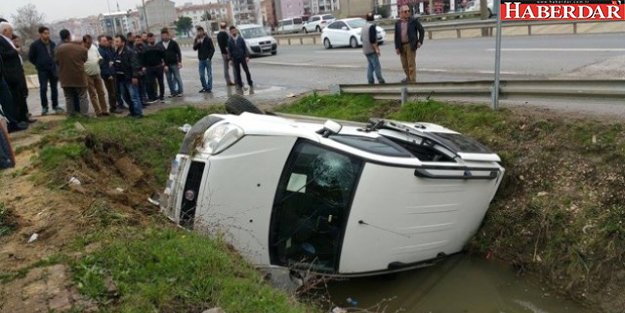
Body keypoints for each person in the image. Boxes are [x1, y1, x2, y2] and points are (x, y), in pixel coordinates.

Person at [0, 22, 33, 124]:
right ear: (5, 31)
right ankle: (17, 120)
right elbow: (3, 54)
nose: (12, 33)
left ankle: (24, 117)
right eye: (11, 31)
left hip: (17, 71)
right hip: (10, 73)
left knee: (22, 95)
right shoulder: (1, 40)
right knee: (14, 97)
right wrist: (15, 51)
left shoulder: (8, 40)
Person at [55, 29, 89, 116]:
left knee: (68, 97)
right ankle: (84, 114)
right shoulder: (81, 49)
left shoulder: (58, 49)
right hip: (79, 76)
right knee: (83, 96)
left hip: (65, 77)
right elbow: (84, 60)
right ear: (69, 36)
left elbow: (56, 62)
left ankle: (70, 114)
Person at [29, 26, 62, 115]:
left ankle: (55, 105)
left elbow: (55, 55)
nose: (47, 35)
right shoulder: (35, 45)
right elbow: (31, 57)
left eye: (48, 33)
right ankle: (44, 107)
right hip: (42, 70)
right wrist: (38, 64)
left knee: (54, 88)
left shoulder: (52, 44)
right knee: (43, 88)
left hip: (52, 69)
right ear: (40, 34)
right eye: (45, 33)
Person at [113, 34, 143, 118]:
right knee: (125, 96)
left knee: (134, 96)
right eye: (115, 41)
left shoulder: (129, 51)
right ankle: (132, 111)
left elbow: (134, 64)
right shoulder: (116, 51)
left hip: (129, 77)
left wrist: (135, 76)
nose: (115, 43)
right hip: (121, 78)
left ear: (123, 42)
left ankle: (138, 113)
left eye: (117, 41)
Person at [394, 5, 425, 83]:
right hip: (401, 46)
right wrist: (397, 47)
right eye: (405, 11)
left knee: (411, 65)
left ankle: (412, 81)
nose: (407, 13)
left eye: (408, 11)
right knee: (404, 65)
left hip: (410, 45)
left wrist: (419, 41)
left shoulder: (413, 21)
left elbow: (421, 30)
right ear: (400, 13)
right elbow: (396, 36)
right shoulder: (397, 23)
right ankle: (408, 78)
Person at [83, 35, 108, 116]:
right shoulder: (81, 49)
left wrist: (100, 59)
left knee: (101, 92)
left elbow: (99, 56)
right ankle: (98, 111)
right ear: (84, 42)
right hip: (87, 74)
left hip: (97, 72)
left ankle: (104, 110)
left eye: (90, 42)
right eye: (88, 43)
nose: (89, 44)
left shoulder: (94, 47)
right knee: (93, 94)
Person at [98, 35, 121, 113]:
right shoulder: (100, 50)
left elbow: (111, 60)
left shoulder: (107, 49)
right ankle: (113, 108)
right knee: (111, 92)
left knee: (114, 91)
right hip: (107, 75)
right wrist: (108, 74)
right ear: (100, 42)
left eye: (106, 40)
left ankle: (114, 106)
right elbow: (103, 64)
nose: (106, 42)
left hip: (112, 72)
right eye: (103, 41)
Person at [158, 28, 183, 97]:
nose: (164, 37)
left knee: (177, 77)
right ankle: (173, 92)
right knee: (169, 79)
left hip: (174, 63)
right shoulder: (159, 44)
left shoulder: (173, 43)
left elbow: (178, 52)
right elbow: (159, 56)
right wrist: (163, 65)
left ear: (168, 35)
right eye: (163, 35)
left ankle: (180, 91)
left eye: (165, 35)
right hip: (166, 65)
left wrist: (180, 62)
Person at [362, 12, 385, 85]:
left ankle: (370, 81)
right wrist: (377, 49)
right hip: (371, 50)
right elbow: (372, 40)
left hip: (365, 50)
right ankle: (380, 80)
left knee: (370, 66)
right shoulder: (372, 27)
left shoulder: (364, 26)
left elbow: (361, 39)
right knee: (376, 66)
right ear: (373, 19)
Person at [227, 26, 253, 91]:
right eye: (232, 31)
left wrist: (247, 56)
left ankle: (250, 82)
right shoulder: (230, 40)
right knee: (238, 72)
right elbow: (229, 51)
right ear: (230, 32)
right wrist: (230, 59)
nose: (233, 32)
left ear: (236, 31)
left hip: (242, 57)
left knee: (246, 71)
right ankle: (240, 84)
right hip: (235, 58)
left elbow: (245, 48)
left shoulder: (240, 38)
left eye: (234, 30)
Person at [142, 32, 166, 103]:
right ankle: (153, 97)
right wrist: (143, 66)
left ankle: (161, 95)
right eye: (150, 38)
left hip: (158, 67)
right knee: (150, 83)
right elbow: (143, 58)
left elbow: (164, 56)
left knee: (161, 82)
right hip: (149, 68)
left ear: (154, 38)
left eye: (152, 38)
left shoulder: (159, 46)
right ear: (148, 39)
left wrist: (164, 64)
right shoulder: (145, 48)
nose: (151, 39)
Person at [193, 26, 215, 93]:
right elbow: (194, 48)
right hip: (201, 60)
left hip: (207, 59)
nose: (199, 33)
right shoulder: (196, 39)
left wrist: (209, 58)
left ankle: (209, 88)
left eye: (200, 31)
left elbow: (212, 49)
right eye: (198, 32)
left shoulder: (208, 39)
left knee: (209, 75)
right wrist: (198, 43)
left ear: (203, 31)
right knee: (201, 75)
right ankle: (205, 87)